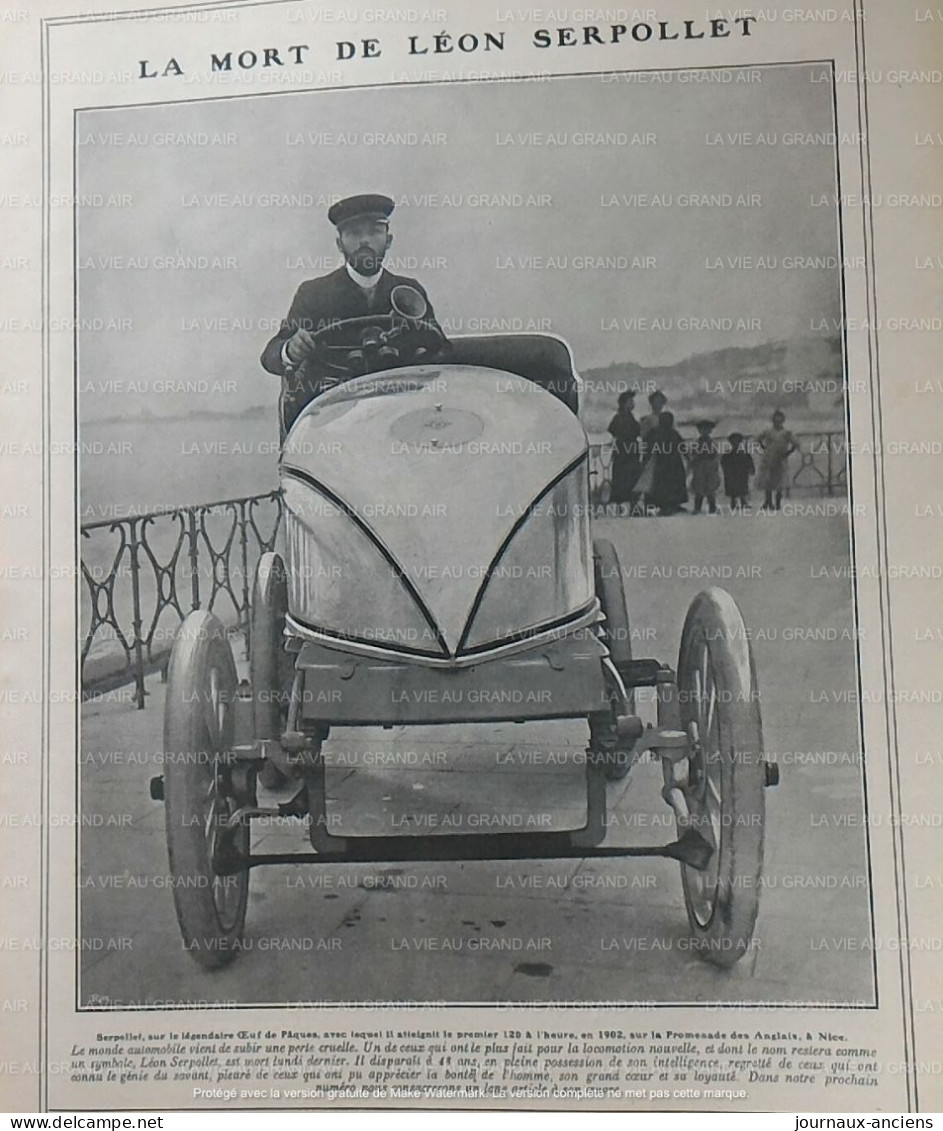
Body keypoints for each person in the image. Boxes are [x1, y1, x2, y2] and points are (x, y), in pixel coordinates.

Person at [261, 193, 444, 438]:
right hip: (334, 425)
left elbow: (441, 350)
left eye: (374, 232)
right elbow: (271, 355)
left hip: (399, 419)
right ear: (340, 244)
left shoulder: (410, 290)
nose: (365, 241)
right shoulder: (314, 293)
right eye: (354, 233)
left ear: (388, 240)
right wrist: (291, 350)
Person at [606, 390, 642, 513]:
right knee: (624, 478)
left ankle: (630, 506)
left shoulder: (624, 418)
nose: (633, 404)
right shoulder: (621, 418)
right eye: (630, 401)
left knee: (629, 477)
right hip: (625, 450)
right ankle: (626, 506)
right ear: (624, 403)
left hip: (627, 450)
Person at [647, 410, 688, 515]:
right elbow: (682, 447)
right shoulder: (667, 433)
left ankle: (672, 504)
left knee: (669, 484)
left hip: (669, 462)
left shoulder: (663, 432)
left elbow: (682, 446)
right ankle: (666, 505)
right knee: (667, 484)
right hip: (667, 462)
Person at [756, 409, 798, 511]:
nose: (777, 422)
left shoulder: (786, 433)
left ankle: (778, 503)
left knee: (780, 481)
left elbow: (795, 443)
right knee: (768, 480)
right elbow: (758, 439)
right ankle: (768, 502)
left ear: (783, 420)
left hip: (780, 459)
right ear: (772, 420)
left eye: (779, 420)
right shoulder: (768, 431)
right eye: (775, 419)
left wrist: (788, 453)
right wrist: (763, 448)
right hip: (769, 458)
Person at [635, 389, 668, 508]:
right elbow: (643, 435)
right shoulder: (648, 419)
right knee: (648, 475)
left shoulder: (667, 417)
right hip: (652, 450)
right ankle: (648, 502)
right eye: (656, 401)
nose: (658, 404)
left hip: (664, 452)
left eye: (660, 402)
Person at [688, 418, 721, 515]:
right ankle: (697, 508)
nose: (705, 431)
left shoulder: (713, 443)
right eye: (703, 429)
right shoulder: (696, 443)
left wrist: (715, 465)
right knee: (699, 487)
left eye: (707, 429)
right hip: (699, 466)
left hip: (710, 466)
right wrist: (692, 465)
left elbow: (716, 455)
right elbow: (693, 455)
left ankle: (712, 507)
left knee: (711, 488)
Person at [721, 432, 756, 511]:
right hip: (732, 474)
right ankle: (733, 502)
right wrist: (726, 471)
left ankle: (743, 501)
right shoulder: (727, 455)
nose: (736, 444)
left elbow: (749, 462)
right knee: (732, 487)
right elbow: (723, 463)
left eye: (738, 442)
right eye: (733, 442)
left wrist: (751, 469)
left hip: (742, 473)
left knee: (743, 486)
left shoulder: (745, 454)